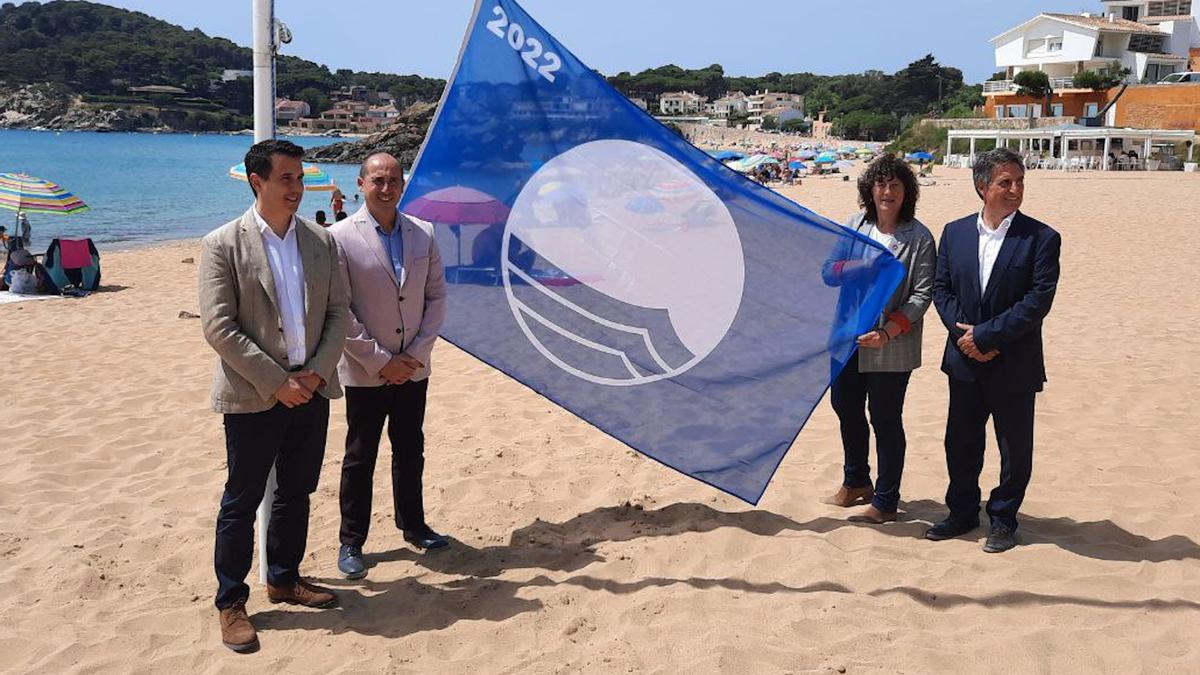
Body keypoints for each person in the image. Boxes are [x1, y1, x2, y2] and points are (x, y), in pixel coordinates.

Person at [198, 139, 351, 652]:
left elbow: (337, 313)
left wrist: (312, 374)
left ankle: (284, 578)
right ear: (256, 181)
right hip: (254, 394)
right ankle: (230, 602)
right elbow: (220, 327)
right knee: (241, 500)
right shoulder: (222, 244)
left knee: (296, 490)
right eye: (285, 178)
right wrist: (276, 381)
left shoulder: (319, 241)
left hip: (311, 388)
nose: (296, 187)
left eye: (299, 178)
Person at [927, 148, 1061, 553]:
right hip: (964, 360)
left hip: (1013, 360)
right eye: (1006, 182)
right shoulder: (955, 232)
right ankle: (963, 512)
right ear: (981, 186)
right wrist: (964, 337)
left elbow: (1038, 301)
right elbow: (941, 290)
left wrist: (987, 336)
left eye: (1020, 181)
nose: (1016, 189)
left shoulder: (1041, 238)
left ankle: (1003, 519)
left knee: (1014, 448)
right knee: (961, 441)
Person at [329, 153, 448, 580]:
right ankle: (352, 541)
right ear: (361, 184)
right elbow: (339, 310)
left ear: (403, 184)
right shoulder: (340, 237)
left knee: (409, 449)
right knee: (360, 456)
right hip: (366, 370)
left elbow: (436, 299)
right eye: (377, 179)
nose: (387, 187)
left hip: (414, 368)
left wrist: (414, 355)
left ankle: (413, 526)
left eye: (394, 179)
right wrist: (381, 361)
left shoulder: (424, 234)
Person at [822, 154, 936, 524]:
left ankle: (886, 499)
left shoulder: (918, 237)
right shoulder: (854, 226)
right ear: (869, 190)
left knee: (885, 418)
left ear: (907, 192)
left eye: (895, 185)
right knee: (846, 408)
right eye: (881, 184)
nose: (887, 191)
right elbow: (829, 272)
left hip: (891, 343)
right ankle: (856, 481)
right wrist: (864, 265)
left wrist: (888, 331)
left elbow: (922, 294)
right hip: (848, 337)